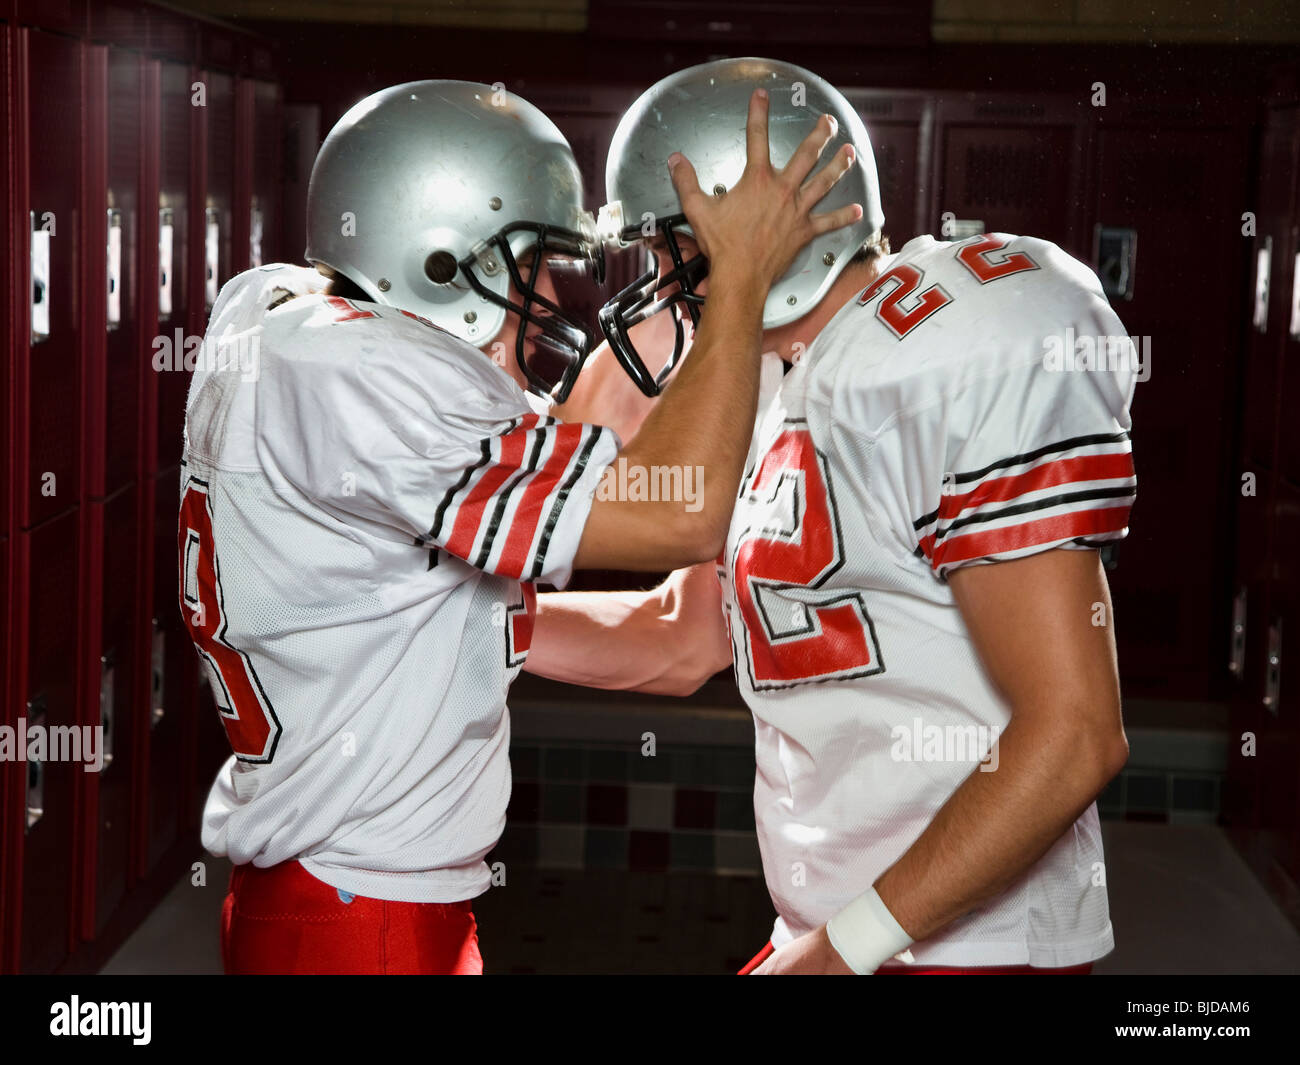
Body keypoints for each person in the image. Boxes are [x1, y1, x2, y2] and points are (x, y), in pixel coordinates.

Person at [179, 77, 861, 974]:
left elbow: (576, 502)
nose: (543, 304)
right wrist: (733, 285)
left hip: (334, 895)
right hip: (359, 916)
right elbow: (681, 511)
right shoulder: (372, 376)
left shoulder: (277, 315)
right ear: (434, 261)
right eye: (528, 272)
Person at [530, 57, 1137, 975]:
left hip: (969, 950)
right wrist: (472, 623)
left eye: (675, 251)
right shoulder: (781, 378)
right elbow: (681, 633)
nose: (657, 283)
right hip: (842, 935)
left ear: (771, 231)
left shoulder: (952, 345)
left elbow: (1076, 731)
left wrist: (835, 953)